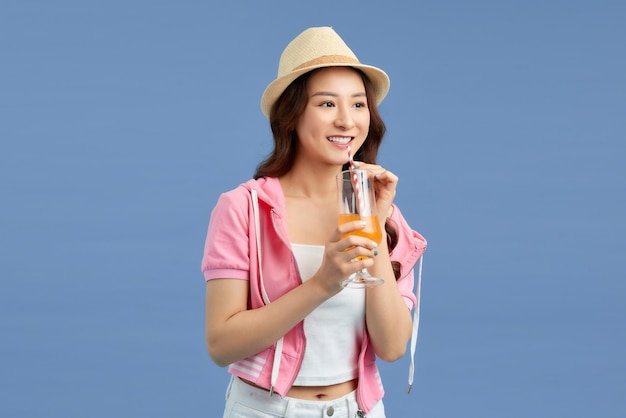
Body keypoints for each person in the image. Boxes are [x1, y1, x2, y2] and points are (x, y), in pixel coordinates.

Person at [201, 26, 427, 418]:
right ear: (291, 116)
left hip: (359, 410)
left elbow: (392, 348)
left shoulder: (384, 213)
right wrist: (322, 284)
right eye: (326, 104)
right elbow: (221, 345)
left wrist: (373, 225)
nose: (347, 121)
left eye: (358, 105)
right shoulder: (244, 208)